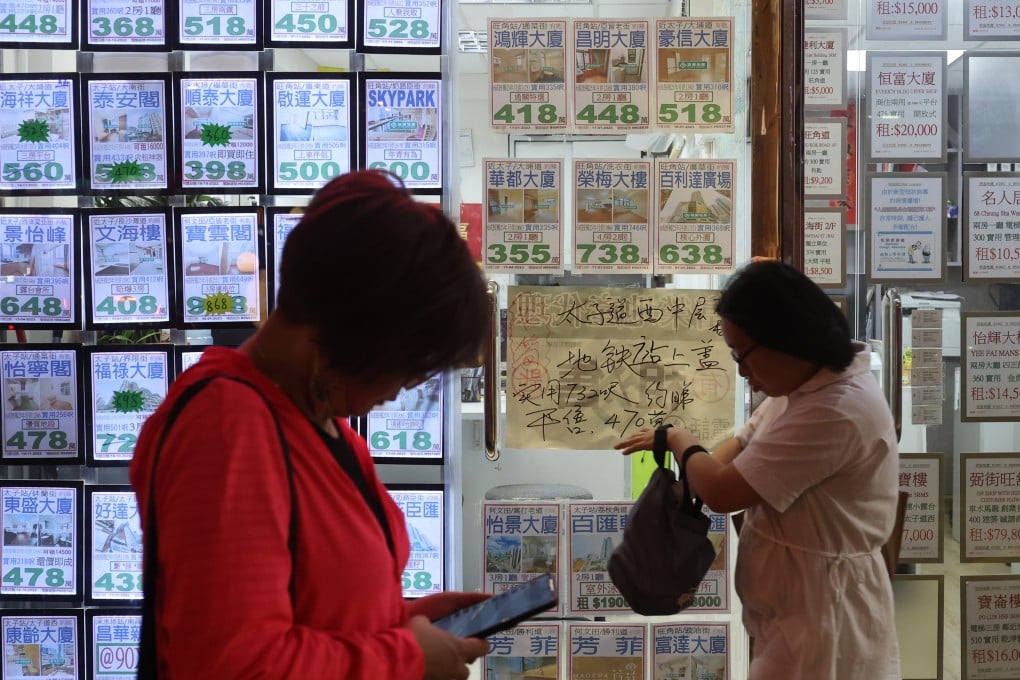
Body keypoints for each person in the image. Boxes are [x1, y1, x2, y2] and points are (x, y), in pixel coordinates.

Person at [130, 169, 492, 680]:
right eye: (408, 362)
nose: (405, 386)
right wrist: (406, 657)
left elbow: (313, 607)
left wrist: (402, 620)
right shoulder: (228, 427)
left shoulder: (319, 423)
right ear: (357, 325)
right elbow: (233, 665)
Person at [616, 260, 901, 679]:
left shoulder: (836, 410)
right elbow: (742, 444)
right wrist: (690, 461)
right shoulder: (804, 386)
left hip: (825, 618)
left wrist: (679, 439)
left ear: (786, 339)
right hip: (797, 607)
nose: (742, 372)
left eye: (743, 357)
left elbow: (723, 491)